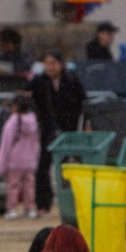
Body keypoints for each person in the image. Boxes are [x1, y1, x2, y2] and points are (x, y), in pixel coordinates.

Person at [24, 50, 86, 215]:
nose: (49, 67)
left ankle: (71, 203)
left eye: (53, 63)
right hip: (47, 129)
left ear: (61, 64)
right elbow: (24, 93)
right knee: (43, 167)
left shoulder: (71, 80)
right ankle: (43, 205)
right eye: (47, 63)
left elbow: (83, 102)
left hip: (69, 129)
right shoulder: (39, 81)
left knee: (67, 166)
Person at [0, 95, 40, 219]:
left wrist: (1, 163)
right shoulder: (33, 120)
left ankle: (12, 208)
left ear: (15, 107)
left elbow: (6, 142)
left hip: (15, 160)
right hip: (30, 160)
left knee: (13, 185)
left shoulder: (13, 121)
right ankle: (30, 208)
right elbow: (36, 143)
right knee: (29, 186)